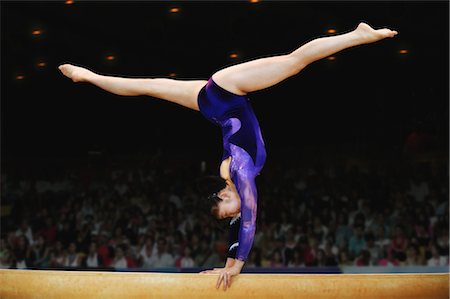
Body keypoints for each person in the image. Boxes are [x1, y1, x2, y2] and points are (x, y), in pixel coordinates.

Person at [58, 22, 398, 290]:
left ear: (225, 195)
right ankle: (88, 75)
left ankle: (359, 35)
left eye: (226, 208)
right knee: (148, 85)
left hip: (227, 91)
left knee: (295, 61)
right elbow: (240, 221)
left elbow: (249, 217)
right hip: (214, 106)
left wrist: (236, 264)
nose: (234, 212)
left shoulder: (240, 172)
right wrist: (231, 257)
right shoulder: (233, 179)